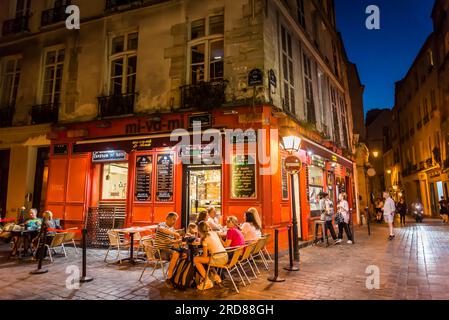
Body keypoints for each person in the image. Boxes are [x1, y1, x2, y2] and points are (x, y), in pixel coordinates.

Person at [193, 221, 228, 290]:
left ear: (199, 230)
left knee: (196, 259)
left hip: (218, 260)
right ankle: (217, 277)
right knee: (209, 259)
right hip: (225, 257)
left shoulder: (204, 239)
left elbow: (205, 256)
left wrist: (199, 256)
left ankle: (207, 281)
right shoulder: (214, 233)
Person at [153, 212, 184, 289]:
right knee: (176, 254)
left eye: (175, 220)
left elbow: (172, 241)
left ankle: (178, 276)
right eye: (174, 219)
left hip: (168, 250)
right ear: (168, 218)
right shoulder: (162, 225)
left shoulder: (172, 228)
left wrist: (179, 240)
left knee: (184, 254)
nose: (175, 221)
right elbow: (163, 230)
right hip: (159, 251)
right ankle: (169, 278)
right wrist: (174, 233)